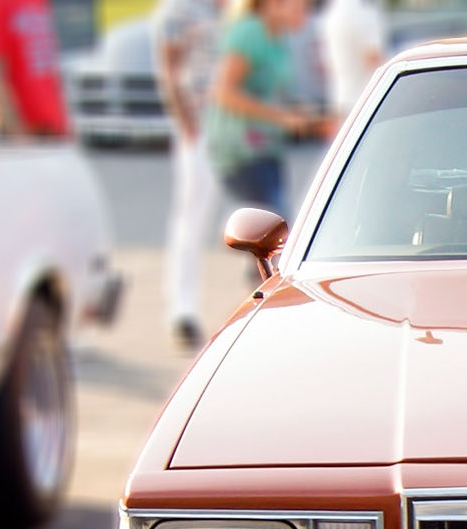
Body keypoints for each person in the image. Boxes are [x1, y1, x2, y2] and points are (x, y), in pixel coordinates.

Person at [206, 0, 329, 218]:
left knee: (271, 226)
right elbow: (224, 92)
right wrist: (281, 117)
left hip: (267, 146)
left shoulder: (277, 36)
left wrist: (306, 117)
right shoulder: (250, 32)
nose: (306, 15)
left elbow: (272, 94)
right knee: (273, 225)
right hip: (242, 149)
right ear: (274, 4)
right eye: (300, 7)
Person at [153, 0, 224, 347]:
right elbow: (169, 68)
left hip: (236, 125)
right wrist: (187, 125)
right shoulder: (178, 10)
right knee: (191, 217)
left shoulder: (228, 8)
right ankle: (183, 309)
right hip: (201, 127)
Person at [0, 0, 67, 137]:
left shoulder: (38, 3)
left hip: (53, 131)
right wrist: (20, 137)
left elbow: (47, 68)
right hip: (23, 135)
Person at [321, 0, 383, 115]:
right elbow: (374, 60)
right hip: (368, 104)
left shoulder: (333, 11)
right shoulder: (364, 12)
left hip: (342, 103)